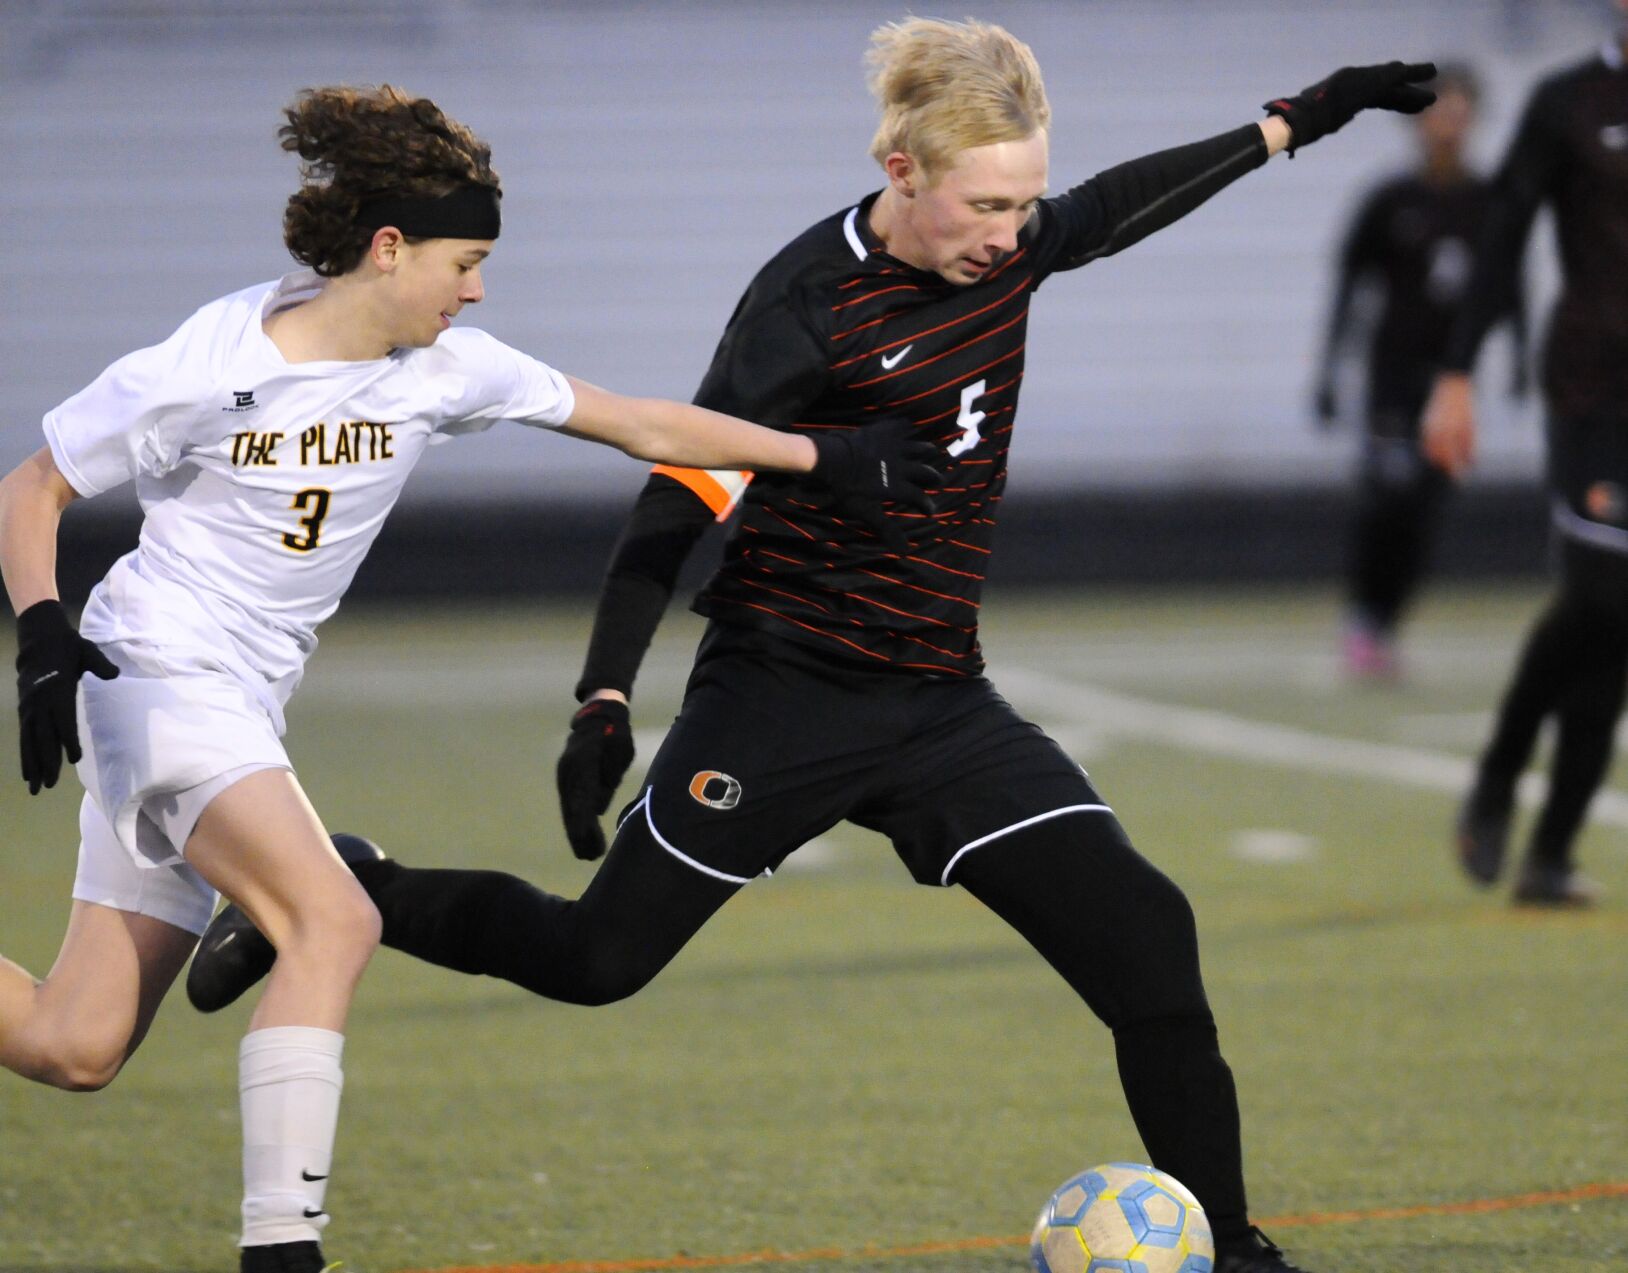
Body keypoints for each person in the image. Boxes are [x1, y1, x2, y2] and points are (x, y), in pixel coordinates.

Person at [187, 24, 1435, 1273]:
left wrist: (1306, 113)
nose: (1011, 231)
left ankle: (1232, 1248)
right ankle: (353, 886)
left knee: (1149, 937)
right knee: (594, 960)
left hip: (940, 704)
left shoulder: (1012, 247)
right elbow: (675, 496)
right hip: (779, 695)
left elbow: (1121, 204)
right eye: (985, 203)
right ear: (902, 171)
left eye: (1026, 201)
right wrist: (602, 696)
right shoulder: (805, 308)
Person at [2, 84, 934, 1273]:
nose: (478, 287)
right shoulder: (210, 362)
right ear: (388, 249)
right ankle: (280, 1249)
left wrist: (821, 454)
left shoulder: (443, 371)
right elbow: (33, 487)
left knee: (72, 1043)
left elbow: (644, 423)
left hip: (238, 700)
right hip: (153, 672)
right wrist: (42, 628)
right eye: (465, 259)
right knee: (332, 918)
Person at [1424, 3, 1628, 907]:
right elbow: (1504, 237)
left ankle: (1548, 853)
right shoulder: (1569, 102)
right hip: (1595, 389)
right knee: (1601, 594)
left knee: (1617, 620)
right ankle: (1504, 770)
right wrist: (1458, 372)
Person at [1312, 64, 1525, 680]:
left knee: (1427, 509)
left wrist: (1518, 362)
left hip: (1451, 384)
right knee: (1386, 500)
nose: (1447, 125)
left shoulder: (1490, 204)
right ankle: (1363, 618)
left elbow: (1511, 291)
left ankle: (1385, 624)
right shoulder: (1389, 202)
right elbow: (1351, 289)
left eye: (1458, 112)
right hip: (1391, 379)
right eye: (1437, 112)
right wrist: (1329, 372)